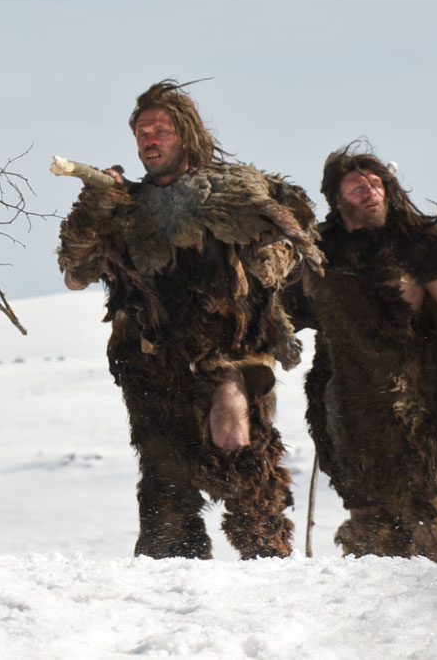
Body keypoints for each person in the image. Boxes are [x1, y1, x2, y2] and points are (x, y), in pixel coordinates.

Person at [57, 81, 319, 559]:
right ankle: (170, 571)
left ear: (188, 135)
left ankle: (265, 554)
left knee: (235, 437)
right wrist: (97, 206)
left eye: (161, 130)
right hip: (151, 354)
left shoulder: (234, 189)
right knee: (163, 465)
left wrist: (269, 255)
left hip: (229, 346)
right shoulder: (125, 206)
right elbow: (76, 275)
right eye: (142, 132)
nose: (149, 139)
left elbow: (296, 233)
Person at [292, 145, 437, 557]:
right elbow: (284, 306)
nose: (370, 191)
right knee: (369, 517)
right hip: (343, 393)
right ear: (337, 201)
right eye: (357, 187)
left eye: (376, 184)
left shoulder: (415, 247)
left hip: (414, 389)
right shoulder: (318, 252)